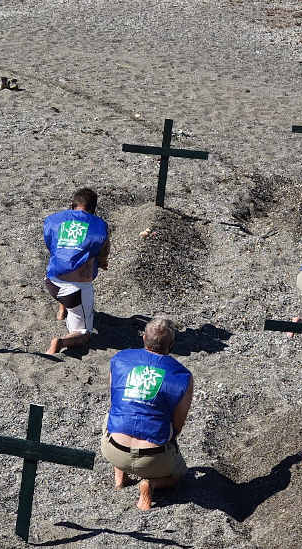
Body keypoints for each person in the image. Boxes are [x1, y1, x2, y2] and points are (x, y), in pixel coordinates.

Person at [102, 316, 193, 511]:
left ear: (144, 338)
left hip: (114, 449)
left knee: (116, 411)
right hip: (153, 458)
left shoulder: (120, 358)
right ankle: (150, 484)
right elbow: (177, 426)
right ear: (172, 345)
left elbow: (114, 400)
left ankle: (120, 474)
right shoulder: (182, 376)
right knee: (179, 474)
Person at [43, 187, 111, 354]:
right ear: (93, 209)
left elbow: (52, 247)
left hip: (51, 281)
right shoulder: (98, 225)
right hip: (75, 290)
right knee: (84, 334)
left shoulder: (53, 220)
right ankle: (59, 343)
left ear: (71, 205)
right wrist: (102, 262)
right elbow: (103, 250)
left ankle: (61, 311)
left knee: (66, 260)